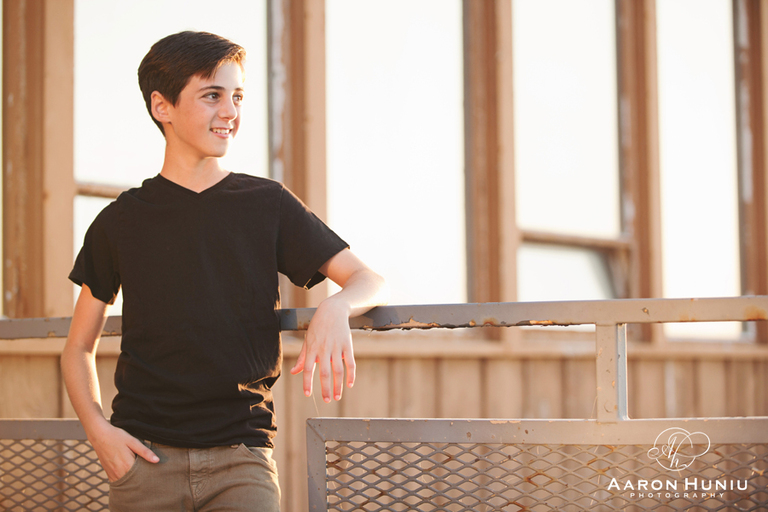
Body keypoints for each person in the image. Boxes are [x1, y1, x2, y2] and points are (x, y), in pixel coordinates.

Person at [61, 31, 387, 512]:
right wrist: (100, 433)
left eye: (237, 96)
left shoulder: (266, 203)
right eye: (212, 95)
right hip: (142, 461)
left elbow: (367, 278)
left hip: (243, 462)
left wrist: (337, 305)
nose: (231, 112)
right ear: (162, 107)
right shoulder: (120, 220)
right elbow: (77, 349)